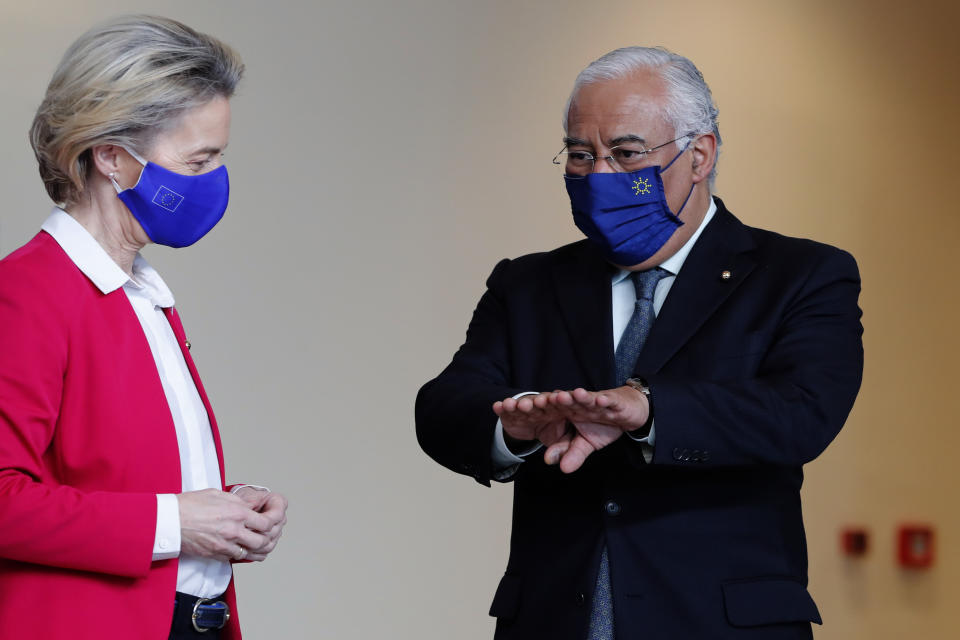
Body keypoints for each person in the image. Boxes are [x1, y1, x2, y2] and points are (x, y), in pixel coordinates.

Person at [416, 46, 863, 639]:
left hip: (720, 623)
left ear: (699, 154)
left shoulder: (800, 274)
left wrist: (651, 411)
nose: (599, 177)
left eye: (625, 154)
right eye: (580, 155)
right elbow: (444, 406)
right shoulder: (528, 284)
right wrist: (515, 428)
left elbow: (802, 414)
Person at [0, 16, 288, 639]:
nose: (214, 179)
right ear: (111, 157)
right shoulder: (27, 294)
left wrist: (224, 509)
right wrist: (178, 523)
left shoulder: (143, 295)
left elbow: (123, 480)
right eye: (198, 159)